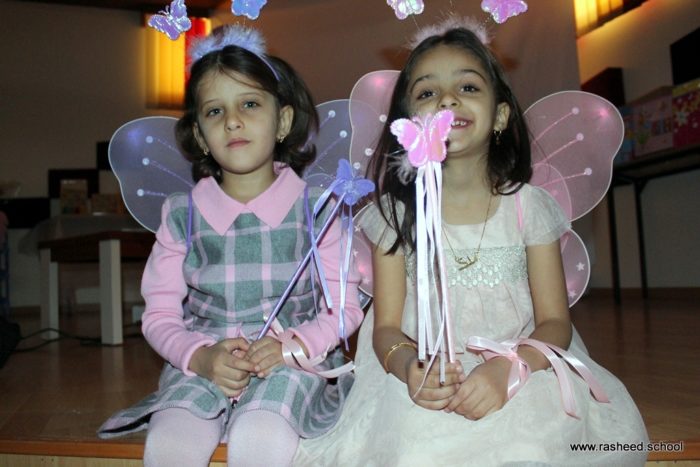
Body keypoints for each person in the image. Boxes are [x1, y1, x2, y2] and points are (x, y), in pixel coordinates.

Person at [295, 20, 648, 466]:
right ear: (407, 124)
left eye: (467, 87)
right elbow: (385, 329)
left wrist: (508, 370)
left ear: (500, 116)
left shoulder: (528, 207)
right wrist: (408, 368)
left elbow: (555, 323)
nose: (447, 99)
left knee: (538, 441)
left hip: (521, 364)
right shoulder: (395, 216)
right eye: (427, 92)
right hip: (423, 373)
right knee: (415, 447)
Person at [98, 25, 364, 467]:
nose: (233, 121)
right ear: (200, 136)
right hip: (203, 363)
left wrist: (292, 347)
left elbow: (344, 309)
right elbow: (160, 315)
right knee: (170, 443)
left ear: (283, 121)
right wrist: (199, 357)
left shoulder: (318, 209)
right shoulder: (181, 215)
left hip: (291, 365)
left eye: (250, 104)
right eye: (215, 111)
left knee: (260, 437)